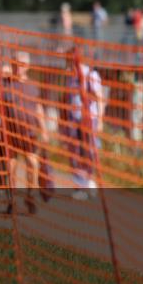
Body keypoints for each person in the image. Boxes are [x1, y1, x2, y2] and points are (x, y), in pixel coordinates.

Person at [0, 51, 47, 214]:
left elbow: (39, 108)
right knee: (10, 167)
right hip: (11, 133)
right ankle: (12, 200)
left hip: (30, 132)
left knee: (32, 163)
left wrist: (44, 129)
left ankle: (30, 196)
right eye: (15, 64)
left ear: (27, 66)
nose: (17, 67)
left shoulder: (33, 86)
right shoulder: (5, 84)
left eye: (21, 64)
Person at [58, 48, 105, 195]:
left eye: (70, 60)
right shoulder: (70, 77)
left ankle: (88, 180)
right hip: (73, 119)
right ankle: (79, 185)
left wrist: (101, 120)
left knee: (89, 151)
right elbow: (65, 99)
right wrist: (63, 120)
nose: (67, 63)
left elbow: (99, 98)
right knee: (74, 152)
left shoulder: (90, 75)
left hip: (89, 119)